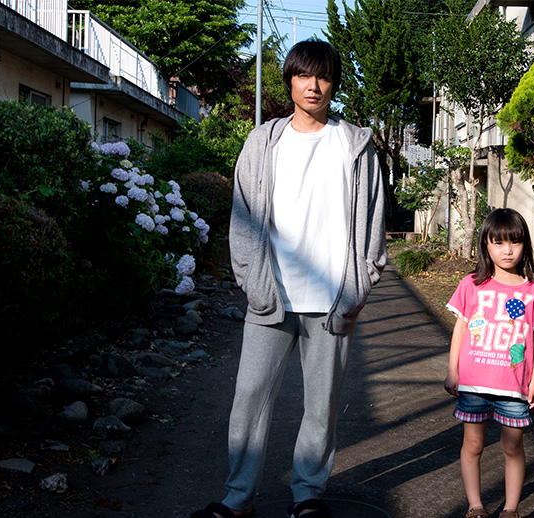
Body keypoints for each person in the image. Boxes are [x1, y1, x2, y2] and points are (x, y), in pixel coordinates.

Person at [191, 39, 387, 518]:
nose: (313, 86)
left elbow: (375, 222)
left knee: (321, 408)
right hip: (270, 297)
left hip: (332, 301)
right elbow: (242, 215)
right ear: (290, 82)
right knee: (249, 401)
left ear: (334, 83)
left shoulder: (356, 146)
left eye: (322, 76)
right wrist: (250, 281)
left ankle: (308, 497)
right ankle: (238, 499)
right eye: (303, 76)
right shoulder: (263, 143)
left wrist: (360, 284)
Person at [443, 208, 534, 518]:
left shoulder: (533, 291)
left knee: (512, 447)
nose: (507, 250)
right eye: (498, 243)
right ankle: (475, 506)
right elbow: (461, 327)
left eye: (515, 242)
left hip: (513, 386)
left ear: (525, 246)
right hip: (473, 381)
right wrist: (453, 370)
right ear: (486, 246)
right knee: (473, 445)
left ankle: (510, 509)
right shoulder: (472, 284)